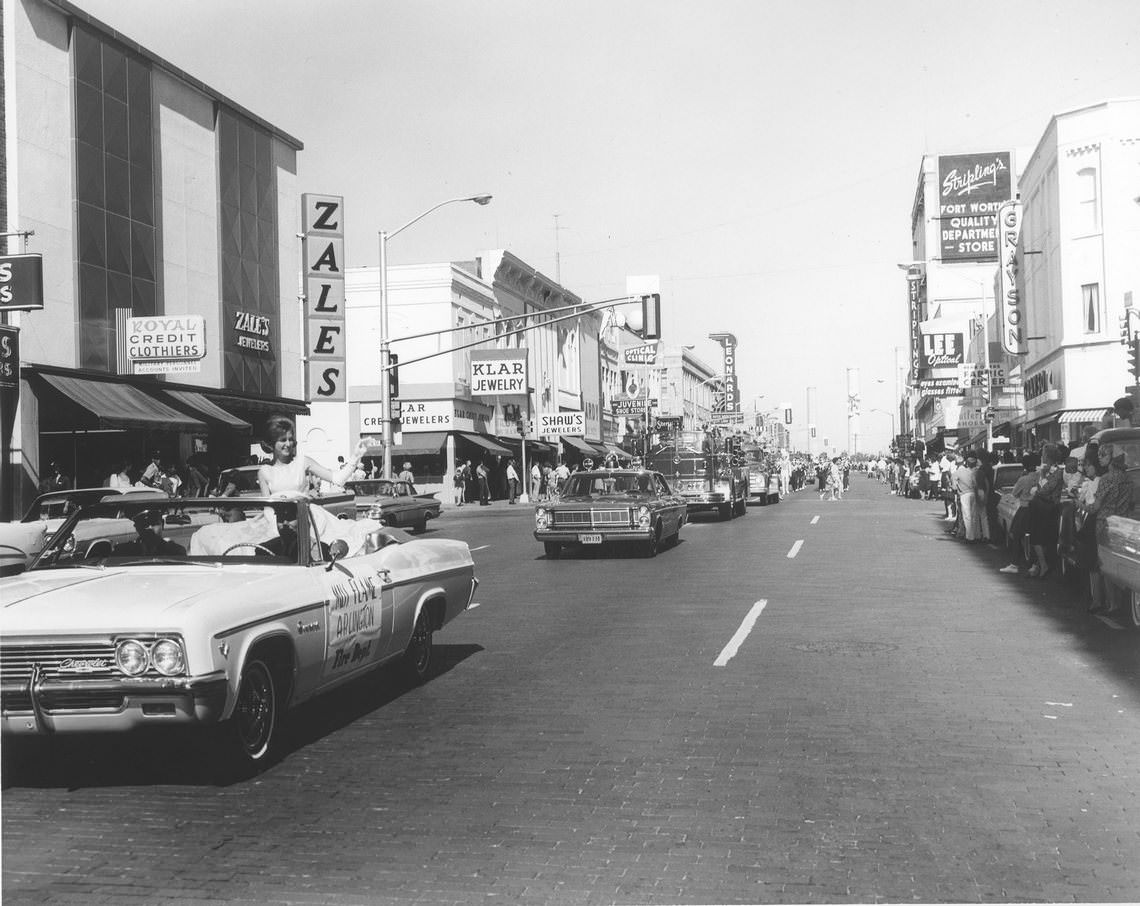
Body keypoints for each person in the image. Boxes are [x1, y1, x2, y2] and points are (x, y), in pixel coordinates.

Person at [257, 415, 367, 498]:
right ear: (272, 443)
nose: (288, 444)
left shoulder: (303, 462)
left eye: (290, 439)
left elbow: (338, 479)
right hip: (277, 523)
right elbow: (268, 508)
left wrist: (355, 457)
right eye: (282, 440)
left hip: (304, 520)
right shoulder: (264, 472)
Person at [1086, 446, 1136, 614]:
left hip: (1104, 523)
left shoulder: (1106, 479)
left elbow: (1096, 507)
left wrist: (1083, 506)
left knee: (1105, 563)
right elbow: (1131, 503)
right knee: (1118, 563)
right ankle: (1118, 601)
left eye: (1103, 455)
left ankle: (1112, 603)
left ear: (1112, 459)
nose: (1099, 458)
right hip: (1121, 523)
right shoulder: (1128, 478)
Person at [1026, 444, 1066, 578]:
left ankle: (1043, 565)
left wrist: (1042, 476)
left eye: (1043, 455)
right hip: (1041, 507)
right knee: (1038, 538)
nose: (1041, 457)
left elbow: (1044, 490)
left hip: (1048, 508)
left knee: (1039, 538)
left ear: (1048, 457)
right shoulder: (1047, 471)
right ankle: (1040, 564)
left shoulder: (1058, 473)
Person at [113, 510, 186, 557]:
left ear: (162, 524)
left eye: (154, 523)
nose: (150, 527)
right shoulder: (124, 552)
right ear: (137, 528)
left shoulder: (176, 552)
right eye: (145, 524)